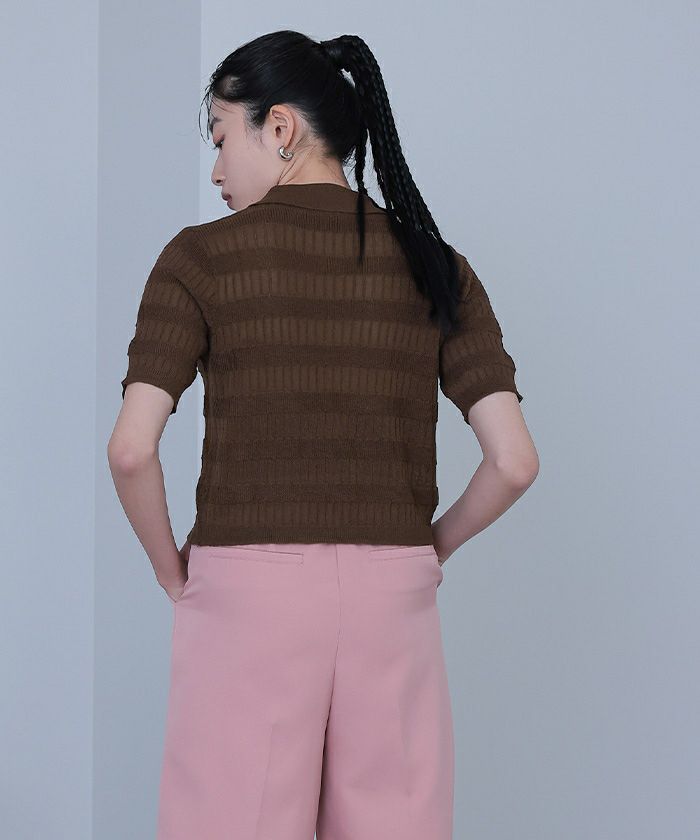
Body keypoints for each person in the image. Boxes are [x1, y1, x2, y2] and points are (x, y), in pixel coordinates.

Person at [107, 29, 538, 840]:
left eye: (221, 138)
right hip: (392, 597)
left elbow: (131, 449)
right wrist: (428, 549)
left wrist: (173, 575)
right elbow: (514, 462)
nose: (216, 171)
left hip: (246, 597)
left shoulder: (201, 259)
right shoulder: (435, 265)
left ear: (279, 127)